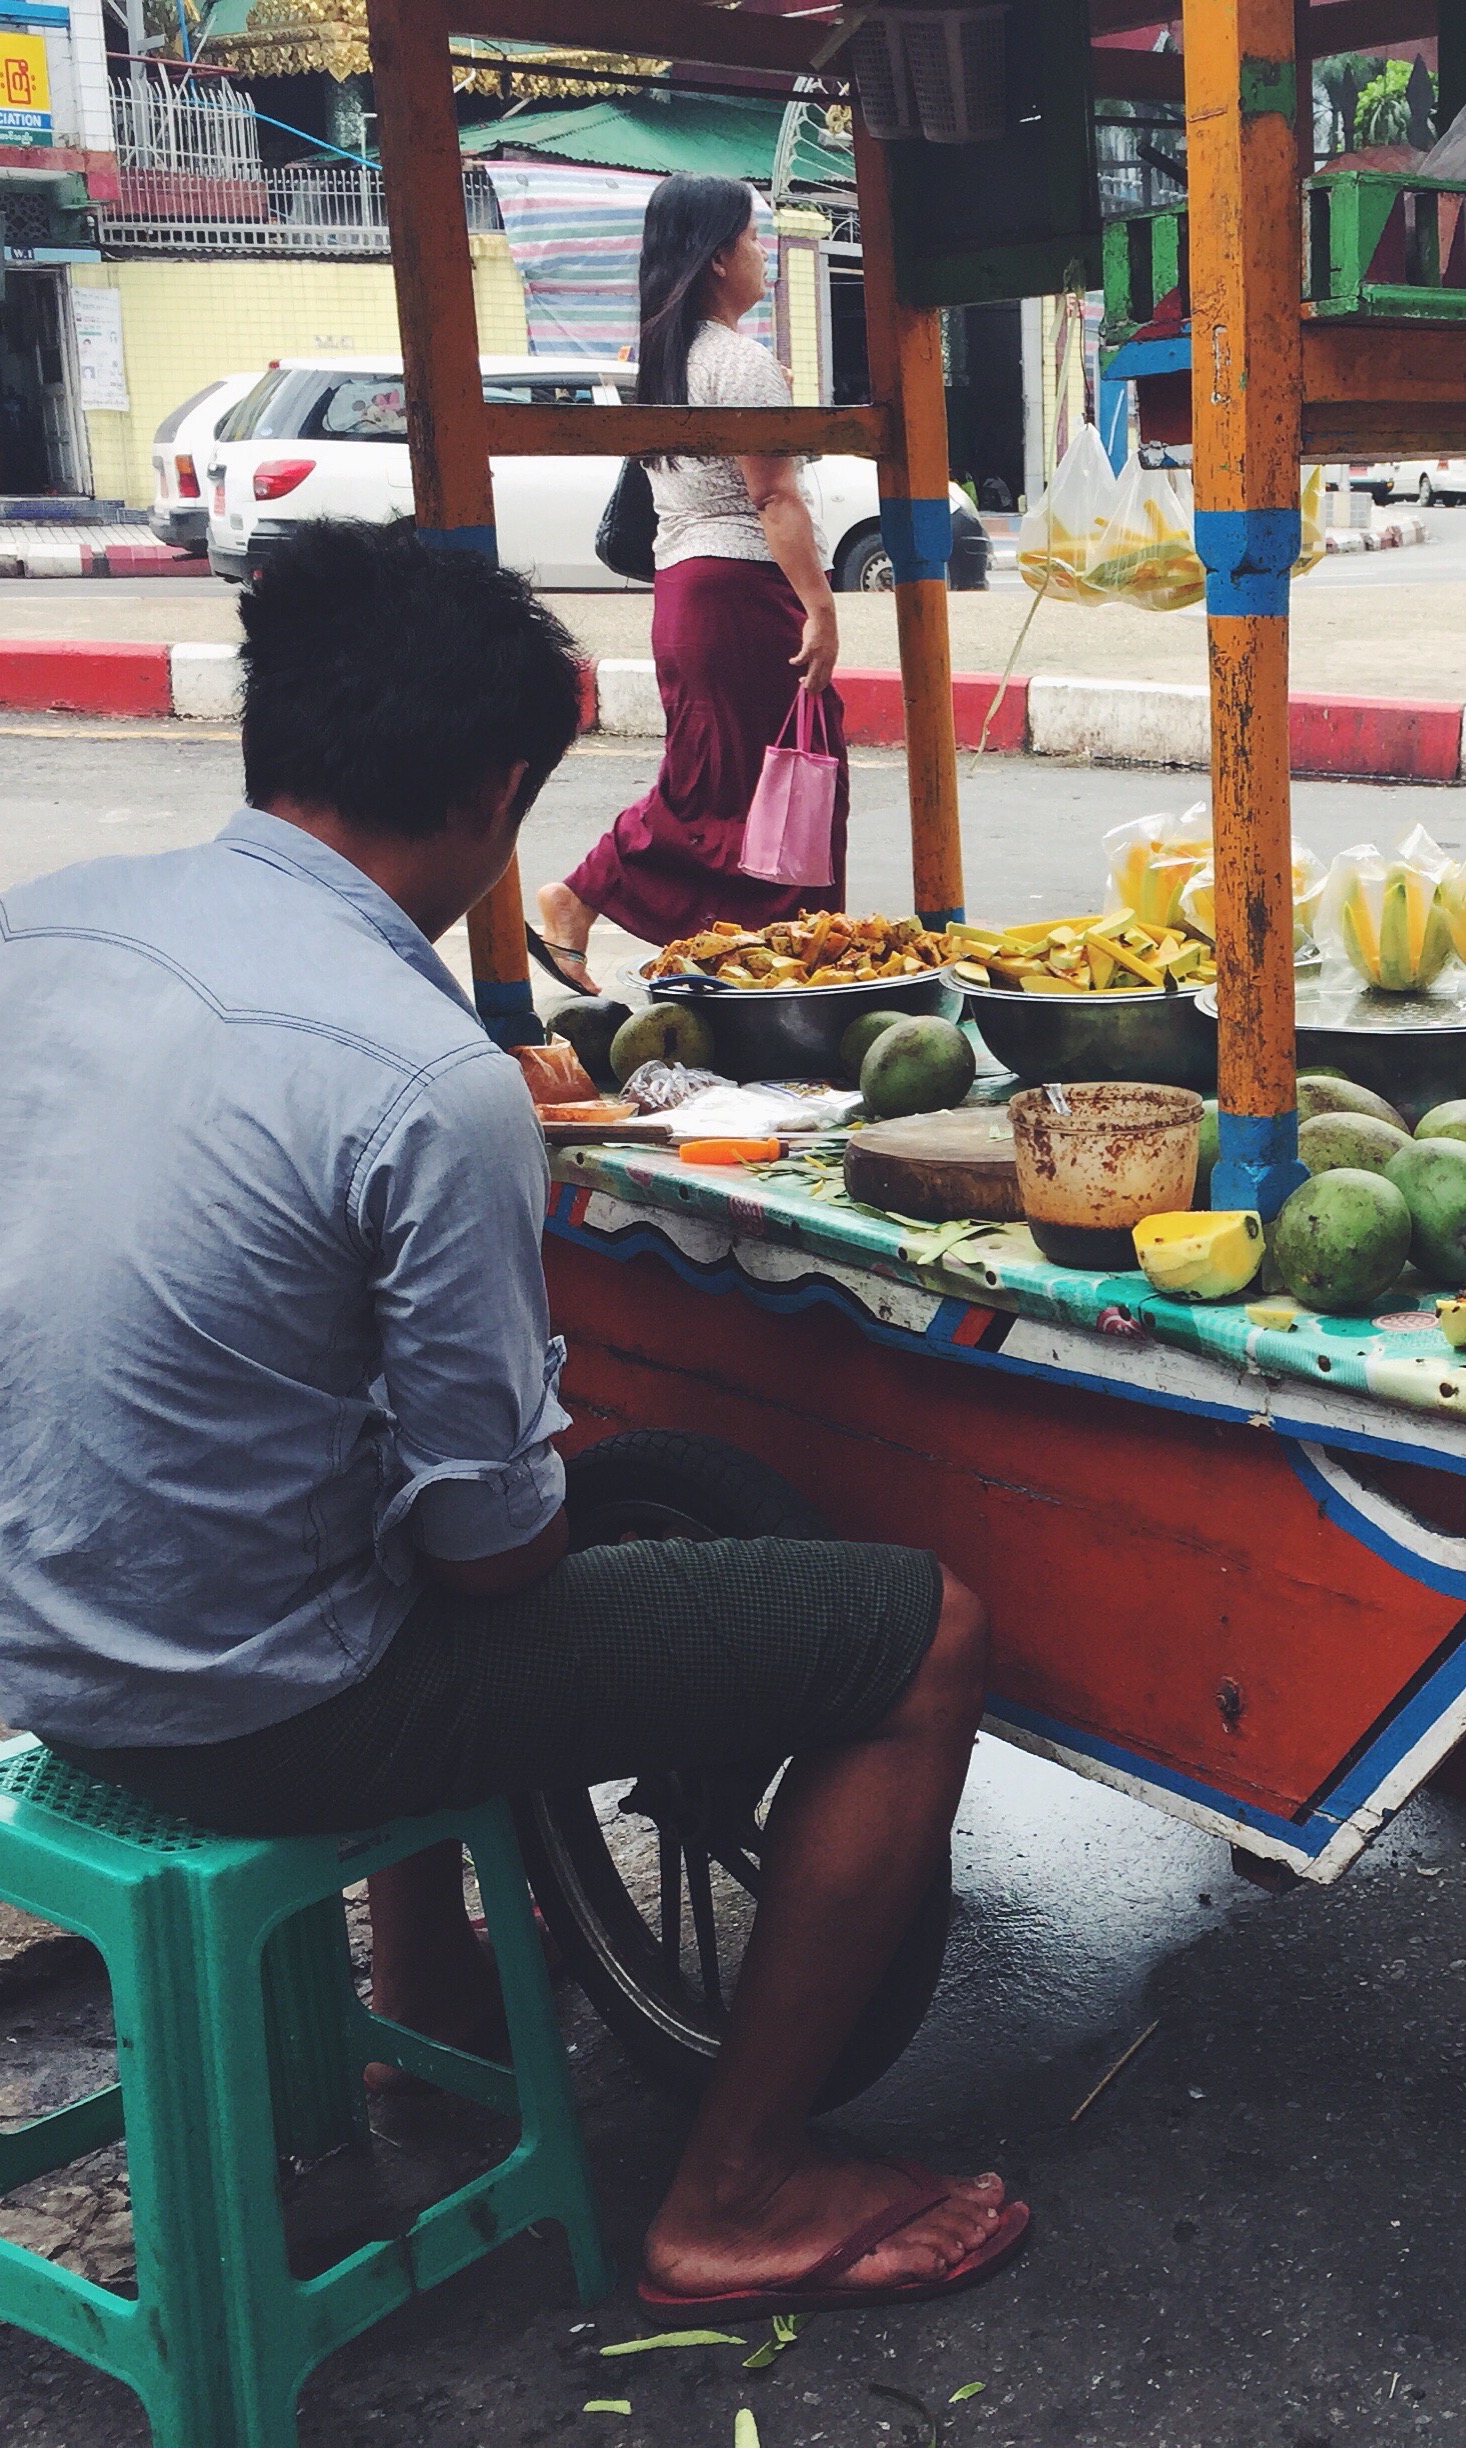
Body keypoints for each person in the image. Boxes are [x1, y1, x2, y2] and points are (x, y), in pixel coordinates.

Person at [0, 520, 1024, 2316]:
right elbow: (501, 1552)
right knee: (924, 1630)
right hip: (249, 1707)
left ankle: (426, 2001)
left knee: (379, 1495)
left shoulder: (46, 928)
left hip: (43, 1638)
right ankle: (739, 2184)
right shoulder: (426, 1080)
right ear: (496, 791)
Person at [530, 174, 847, 997]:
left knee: (728, 782)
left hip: (687, 594)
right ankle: (583, 896)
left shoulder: (667, 360)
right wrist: (821, 606)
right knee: (779, 775)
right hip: (740, 594)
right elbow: (773, 496)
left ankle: (756, 961)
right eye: (751, 239)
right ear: (714, 258)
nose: (763, 256)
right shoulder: (737, 365)